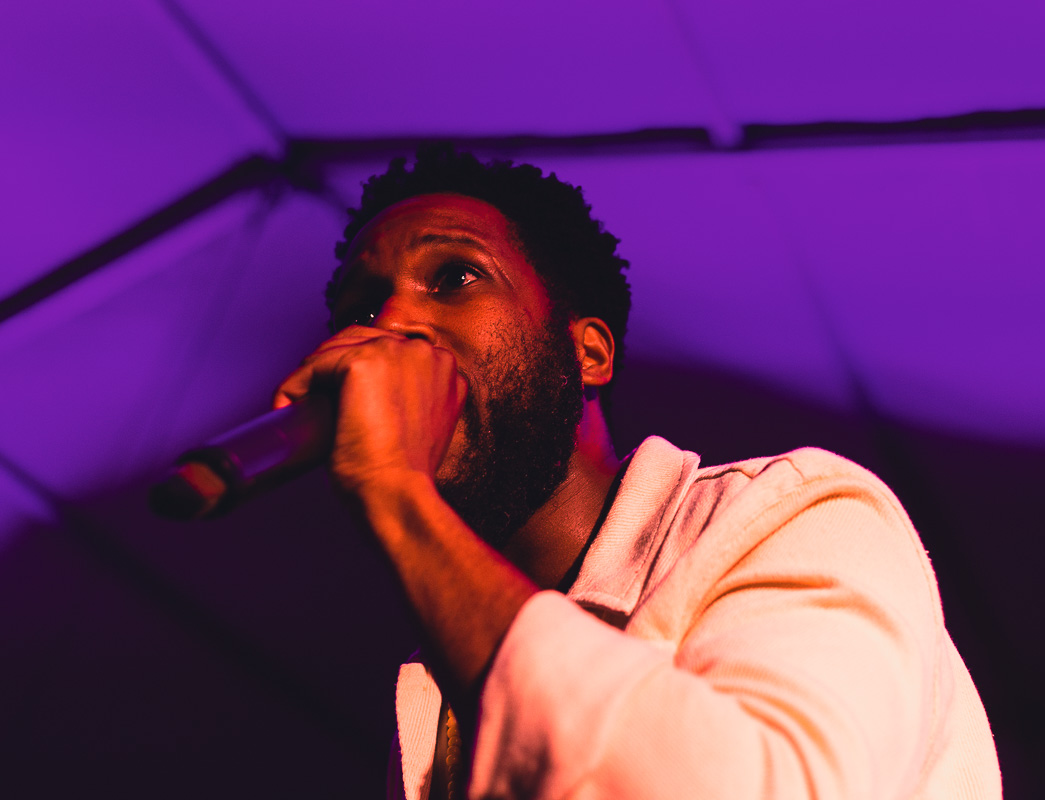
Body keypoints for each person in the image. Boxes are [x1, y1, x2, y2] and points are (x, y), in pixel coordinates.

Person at [274, 146, 1002, 799]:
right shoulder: (438, 680)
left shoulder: (802, 513)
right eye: (361, 307)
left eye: (455, 277)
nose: (389, 323)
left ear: (588, 353)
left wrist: (396, 495)